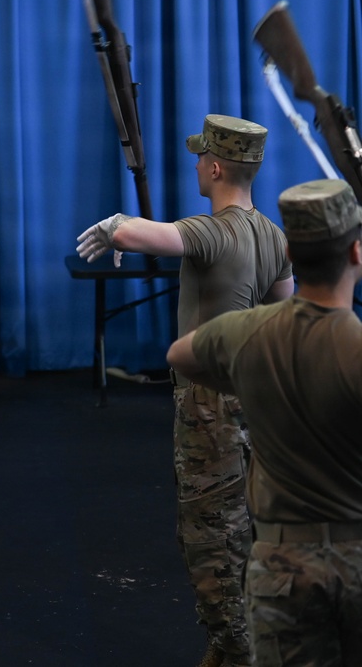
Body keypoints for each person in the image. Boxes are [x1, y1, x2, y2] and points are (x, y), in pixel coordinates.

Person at [75, 114, 294, 667]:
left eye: (202, 158)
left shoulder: (212, 231)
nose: (196, 165)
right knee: (249, 530)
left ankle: (234, 651)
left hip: (208, 410)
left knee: (211, 539)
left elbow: (145, 233)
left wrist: (114, 224)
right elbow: (284, 316)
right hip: (257, 403)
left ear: (217, 167)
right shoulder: (276, 237)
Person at [167, 178, 362, 666]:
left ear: (291, 251)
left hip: (282, 570)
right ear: (356, 253)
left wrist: (247, 384)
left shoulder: (244, 335)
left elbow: (180, 355)